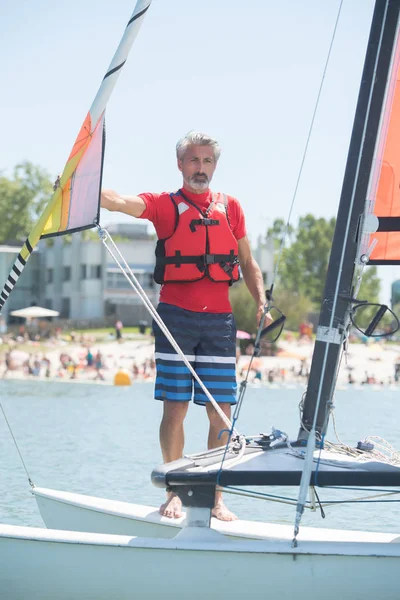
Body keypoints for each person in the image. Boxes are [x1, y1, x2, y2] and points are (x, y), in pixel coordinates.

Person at [101, 131, 271, 521]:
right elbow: (116, 201)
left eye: (207, 161)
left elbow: (247, 262)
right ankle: (175, 491)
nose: (201, 168)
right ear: (180, 164)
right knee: (175, 408)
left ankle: (215, 496)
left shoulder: (231, 208)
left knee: (220, 413)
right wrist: (81, 188)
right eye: (193, 161)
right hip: (176, 318)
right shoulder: (164, 205)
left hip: (219, 322)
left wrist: (261, 299)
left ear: (215, 165)